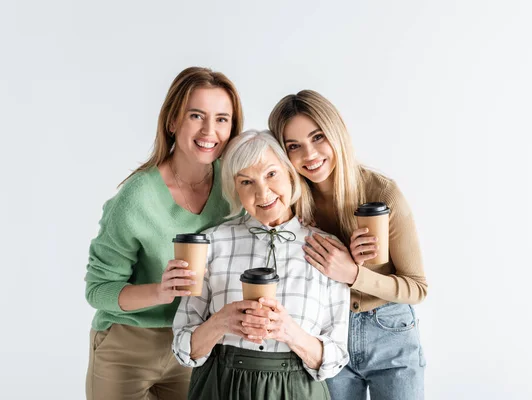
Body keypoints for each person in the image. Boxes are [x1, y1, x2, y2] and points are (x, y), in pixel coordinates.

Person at [84, 66, 243, 400]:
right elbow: (98, 290)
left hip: (194, 343)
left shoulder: (236, 187)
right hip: (128, 346)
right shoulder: (136, 198)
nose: (209, 130)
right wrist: (160, 291)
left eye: (222, 119)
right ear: (172, 122)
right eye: (196, 116)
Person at [268, 90, 428, 400]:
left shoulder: (381, 193)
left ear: (336, 131)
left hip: (390, 332)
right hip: (327, 336)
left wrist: (353, 273)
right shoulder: (290, 204)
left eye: (318, 137)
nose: (310, 154)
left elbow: (417, 288)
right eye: (294, 146)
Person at [172, 130, 350, 400]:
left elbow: (336, 358)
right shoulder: (210, 243)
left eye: (271, 174)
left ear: (290, 174)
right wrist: (221, 322)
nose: (262, 192)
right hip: (220, 385)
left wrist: (289, 332)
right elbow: (183, 349)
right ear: (235, 190)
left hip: (298, 389)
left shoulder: (328, 249)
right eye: (246, 182)